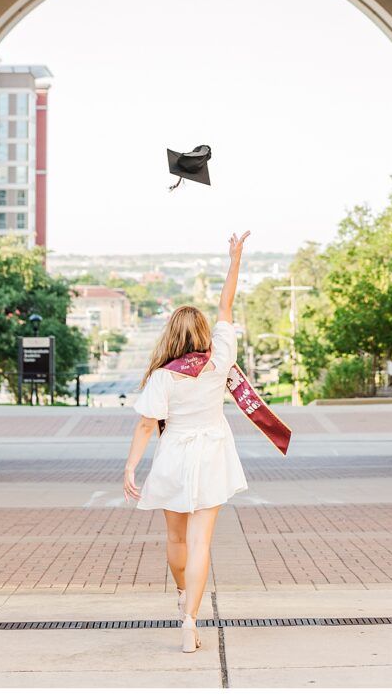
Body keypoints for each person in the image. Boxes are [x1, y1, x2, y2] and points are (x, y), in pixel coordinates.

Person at [123, 230, 251, 653]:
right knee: (202, 542)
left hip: (174, 454)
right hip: (213, 452)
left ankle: (182, 598)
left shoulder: (164, 376)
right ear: (201, 332)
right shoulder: (220, 358)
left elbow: (146, 426)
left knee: (176, 540)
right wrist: (234, 259)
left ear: (171, 336)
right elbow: (226, 305)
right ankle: (191, 621)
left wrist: (130, 467)